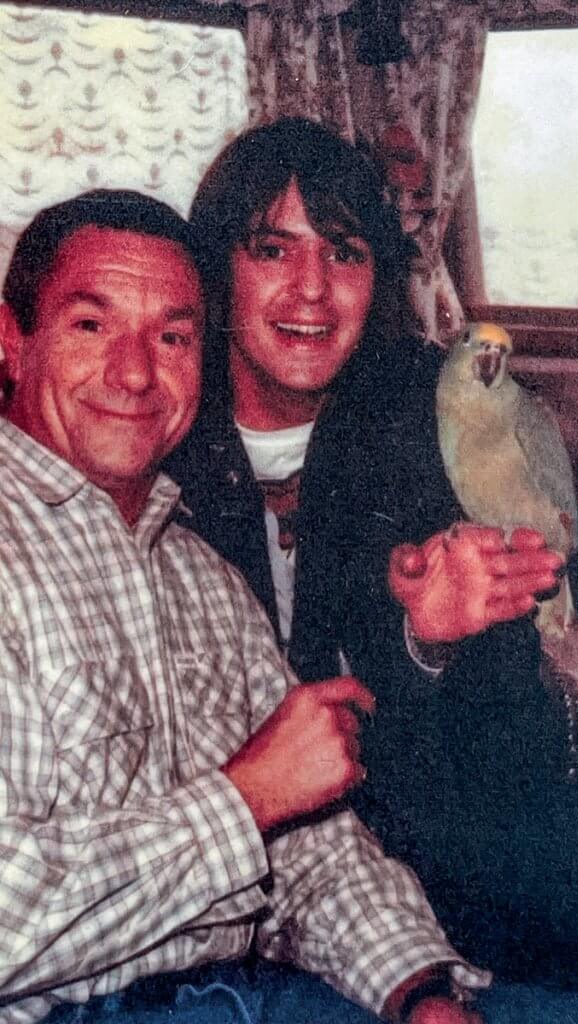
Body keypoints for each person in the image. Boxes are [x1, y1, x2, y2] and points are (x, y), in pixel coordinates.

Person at [166, 116, 578, 1016]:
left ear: (376, 276)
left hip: (434, 849)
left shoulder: (431, 413)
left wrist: (422, 641)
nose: (311, 289)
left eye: (344, 253)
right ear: (215, 267)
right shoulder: (158, 426)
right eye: (273, 248)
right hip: (215, 867)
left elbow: (502, 743)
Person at [0, 188, 494, 1024]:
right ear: (11, 344)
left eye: (174, 336)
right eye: (91, 325)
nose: (134, 371)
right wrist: (243, 799)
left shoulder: (199, 577)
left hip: (239, 995)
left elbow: (312, 853)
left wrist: (419, 991)